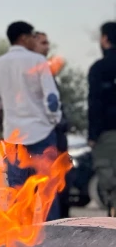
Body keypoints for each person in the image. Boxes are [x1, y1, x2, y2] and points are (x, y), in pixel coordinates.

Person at [0, 20, 63, 219]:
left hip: (14, 135)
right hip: (41, 133)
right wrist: (53, 119)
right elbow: (52, 99)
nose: (34, 40)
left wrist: (7, 107)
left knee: (17, 192)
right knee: (47, 191)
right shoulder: (38, 61)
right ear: (24, 38)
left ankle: (20, 236)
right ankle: (53, 234)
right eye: (32, 36)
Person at [34, 30, 72, 218]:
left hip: (56, 141)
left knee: (59, 190)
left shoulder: (47, 72)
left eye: (47, 43)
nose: (47, 47)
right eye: (43, 43)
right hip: (40, 142)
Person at [89, 22, 116, 214]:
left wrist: (93, 135)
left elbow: (95, 103)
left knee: (110, 180)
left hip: (108, 134)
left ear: (105, 39)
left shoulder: (100, 68)